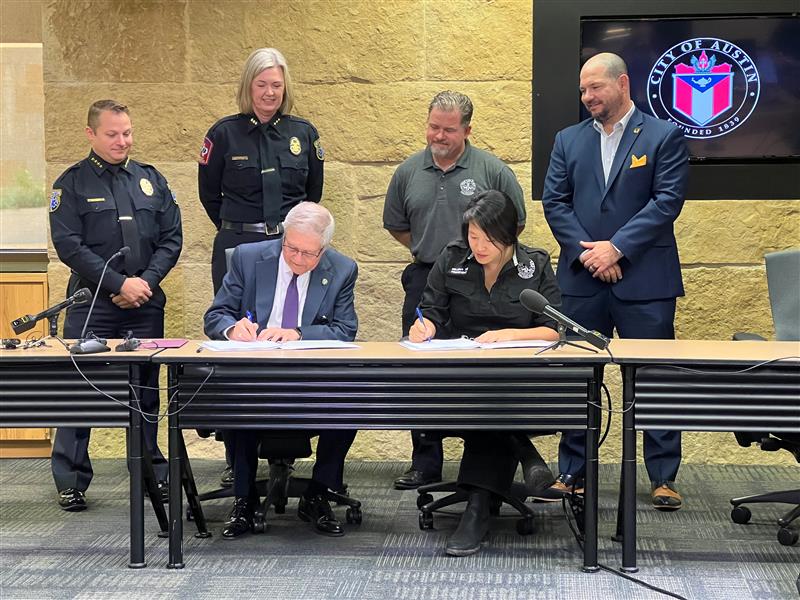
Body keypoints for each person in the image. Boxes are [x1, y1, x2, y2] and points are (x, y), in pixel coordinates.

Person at [541, 52, 689, 510]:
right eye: (583, 90)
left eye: (595, 88)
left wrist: (617, 248)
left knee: (655, 379)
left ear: (622, 83)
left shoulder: (664, 135)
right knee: (579, 378)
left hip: (645, 281)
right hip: (584, 280)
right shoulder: (567, 140)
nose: (587, 97)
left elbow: (666, 202)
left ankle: (663, 477)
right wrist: (592, 254)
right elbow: (555, 202)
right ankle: (573, 472)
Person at [383, 90, 527, 490]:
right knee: (421, 370)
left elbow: (513, 224)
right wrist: (434, 252)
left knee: (477, 372)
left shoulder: (492, 170)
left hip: (479, 280)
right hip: (425, 276)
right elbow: (396, 224)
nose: (439, 136)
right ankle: (425, 463)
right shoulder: (408, 171)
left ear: (467, 129)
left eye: (448, 129)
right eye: (433, 127)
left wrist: (473, 256)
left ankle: (481, 465)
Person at [198, 47, 324, 486]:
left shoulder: (303, 134)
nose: (270, 92)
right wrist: (245, 234)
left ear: (285, 87)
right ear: (248, 86)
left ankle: (283, 452)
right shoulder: (224, 134)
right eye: (261, 84)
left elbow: (312, 195)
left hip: (288, 248)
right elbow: (209, 196)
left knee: (285, 341)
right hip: (239, 245)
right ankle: (239, 458)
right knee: (240, 341)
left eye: (276, 84)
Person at [408, 190, 560, 556]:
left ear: (509, 234)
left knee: (493, 405)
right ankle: (519, 454)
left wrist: (511, 335)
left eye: (488, 239)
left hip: (519, 382)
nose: (478, 246)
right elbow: (431, 309)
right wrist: (424, 327)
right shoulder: (452, 259)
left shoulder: (535, 265)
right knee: (485, 403)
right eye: (472, 236)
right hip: (463, 378)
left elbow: (556, 328)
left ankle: (477, 508)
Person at [49, 99, 182, 511]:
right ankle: (71, 480)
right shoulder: (70, 184)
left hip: (144, 303)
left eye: (126, 133)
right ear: (91, 134)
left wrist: (145, 283)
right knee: (78, 393)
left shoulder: (150, 179)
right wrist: (119, 283)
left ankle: (149, 474)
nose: (121, 141)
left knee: (145, 394)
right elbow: (69, 245)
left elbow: (171, 238)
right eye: (112, 134)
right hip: (93, 303)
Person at [204, 202, 358, 538]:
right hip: (255, 374)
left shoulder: (343, 268)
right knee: (239, 402)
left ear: (324, 249)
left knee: (350, 401)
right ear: (283, 236)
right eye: (292, 248)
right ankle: (243, 499)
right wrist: (233, 330)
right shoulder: (247, 257)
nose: (298, 259)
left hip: (311, 378)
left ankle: (318, 493)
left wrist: (300, 334)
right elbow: (216, 316)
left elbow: (346, 329)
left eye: (309, 254)